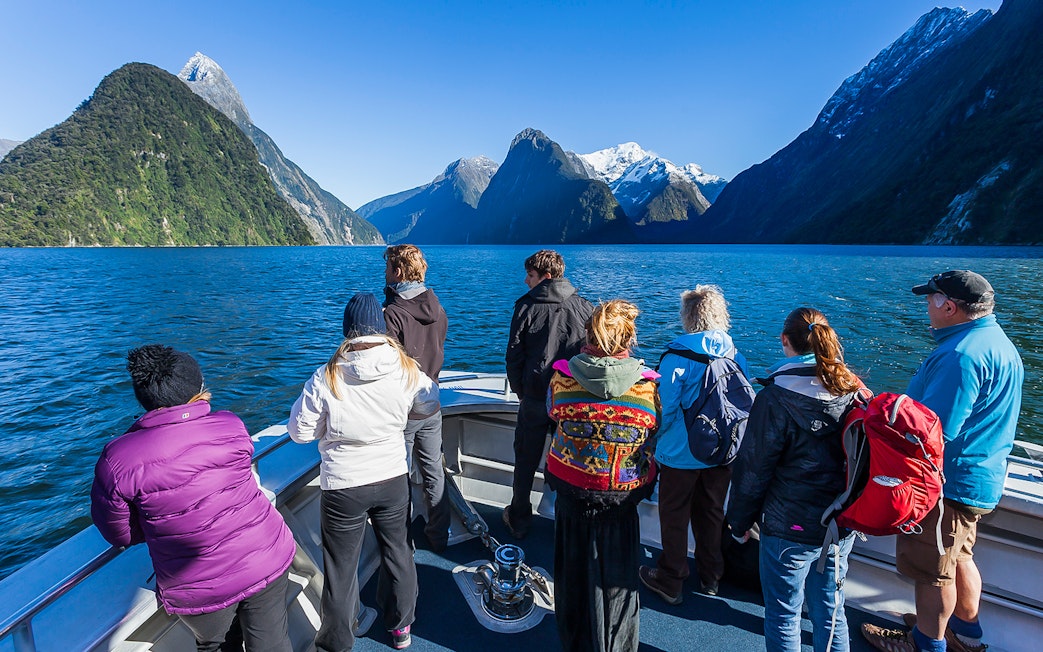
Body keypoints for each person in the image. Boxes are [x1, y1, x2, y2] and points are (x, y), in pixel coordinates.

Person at [91, 345, 295, 652]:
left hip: (198, 587)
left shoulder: (118, 458)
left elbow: (119, 533)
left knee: (215, 644)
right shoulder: (230, 424)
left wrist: (163, 524)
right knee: (272, 644)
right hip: (265, 556)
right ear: (199, 390)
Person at [862, 271, 1023, 652]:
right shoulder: (996, 343)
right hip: (978, 477)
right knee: (959, 556)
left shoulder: (960, 356)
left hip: (946, 484)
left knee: (933, 572)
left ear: (949, 306)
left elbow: (933, 432)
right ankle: (966, 635)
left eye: (930, 299)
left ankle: (927, 643)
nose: (927, 305)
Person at [289, 292, 440, 651]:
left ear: (348, 331)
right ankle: (401, 629)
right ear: (382, 328)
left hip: (344, 485)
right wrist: (402, 418)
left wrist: (329, 431)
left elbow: (299, 432)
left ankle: (338, 641)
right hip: (391, 476)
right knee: (399, 552)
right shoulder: (405, 368)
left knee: (341, 568)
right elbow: (430, 401)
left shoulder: (327, 376)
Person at [727, 308, 863, 652]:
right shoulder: (854, 391)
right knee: (831, 611)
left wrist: (740, 521)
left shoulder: (775, 398)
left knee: (784, 614)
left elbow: (753, 469)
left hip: (787, 526)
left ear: (785, 341)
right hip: (839, 522)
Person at [544, 299, 660, 652]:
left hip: (571, 489)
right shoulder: (646, 386)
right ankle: (618, 644)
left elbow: (553, 414)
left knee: (572, 574)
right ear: (628, 338)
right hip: (623, 496)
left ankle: (575, 640)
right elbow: (654, 428)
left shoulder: (562, 377)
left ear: (589, 333)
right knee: (620, 579)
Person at [640, 285, 749, 604]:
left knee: (674, 515)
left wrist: (653, 443)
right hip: (722, 453)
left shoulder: (677, 356)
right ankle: (711, 576)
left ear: (687, 316)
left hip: (680, 454)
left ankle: (672, 578)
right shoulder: (735, 353)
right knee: (712, 512)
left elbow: (665, 408)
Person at [503, 249, 593, 539]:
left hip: (534, 396)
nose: (526, 281)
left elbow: (514, 356)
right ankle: (564, 520)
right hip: (570, 398)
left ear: (547, 276)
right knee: (568, 460)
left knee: (525, 460)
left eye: (530, 275)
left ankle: (519, 518)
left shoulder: (526, 307)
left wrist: (521, 390)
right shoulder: (584, 307)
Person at [382, 244, 451, 551]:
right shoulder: (439, 310)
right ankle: (439, 535)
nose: (385, 274)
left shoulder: (392, 315)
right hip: (431, 401)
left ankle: (403, 543)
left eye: (387, 269)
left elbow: (387, 367)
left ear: (397, 272)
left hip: (403, 409)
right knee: (433, 469)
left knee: (399, 475)